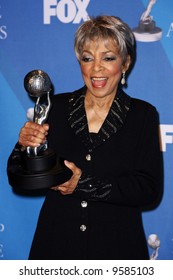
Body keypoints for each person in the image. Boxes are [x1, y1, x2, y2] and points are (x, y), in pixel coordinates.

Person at [7, 15, 163, 260]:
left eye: (108, 58)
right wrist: (24, 148)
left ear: (125, 63)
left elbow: (148, 190)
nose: (96, 68)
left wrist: (84, 185)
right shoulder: (54, 108)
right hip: (57, 246)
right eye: (87, 58)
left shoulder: (142, 115)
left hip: (118, 249)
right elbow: (18, 179)